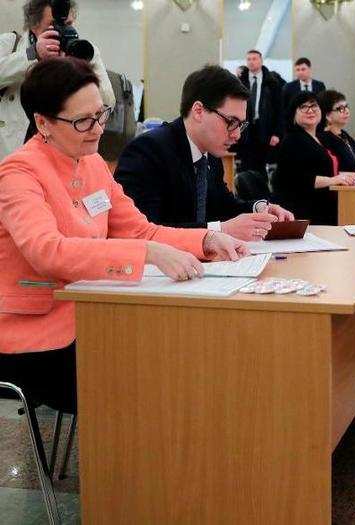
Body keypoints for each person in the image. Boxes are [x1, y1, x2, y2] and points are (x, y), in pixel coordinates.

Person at [0, 57, 247, 415]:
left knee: (183, 351)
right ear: (42, 123)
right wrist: (146, 253)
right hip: (36, 336)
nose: (98, 129)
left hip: (92, 315)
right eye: (82, 121)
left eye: (101, 115)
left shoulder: (92, 163)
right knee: (150, 375)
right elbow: (47, 251)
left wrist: (205, 242)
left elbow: (139, 229)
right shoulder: (18, 174)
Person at [114, 65, 293, 242]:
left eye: (241, 125)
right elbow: (145, 230)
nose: (237, 134)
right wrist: (219, 231)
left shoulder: (210, 154)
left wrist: (259, 209)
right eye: (231, 122)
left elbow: (222, 206)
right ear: (198, 111)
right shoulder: (146, 152)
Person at [0, 0, 115, 161]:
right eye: (54, 26)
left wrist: (81, 65)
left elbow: (107, 101)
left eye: (68, 24)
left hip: (63, 151)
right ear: (34, 25)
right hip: (17, 150)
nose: (63, 30)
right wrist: (33, 55)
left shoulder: (83, 50)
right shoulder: (10, 44)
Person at [271, 92, 355, 225]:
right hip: (304, 212)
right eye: (303, 107)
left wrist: (351, 177)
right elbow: (299, 179)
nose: (310, 110)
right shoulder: (293, 141)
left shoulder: (318, 138)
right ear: (294, 114)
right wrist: (333, 180)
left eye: (314, 106)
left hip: (323, 204)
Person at [235, 49, 283, 173]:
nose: (251, 62)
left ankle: (262, 191)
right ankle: (246, 191)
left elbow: (279, 109)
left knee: (262, 167)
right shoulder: (241, 81)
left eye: (254, 59)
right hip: (246, 127)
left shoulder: (272, 81)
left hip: (265, 127)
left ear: (261, 61)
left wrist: (277, 133)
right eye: (249, 59)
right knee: (246, 166)